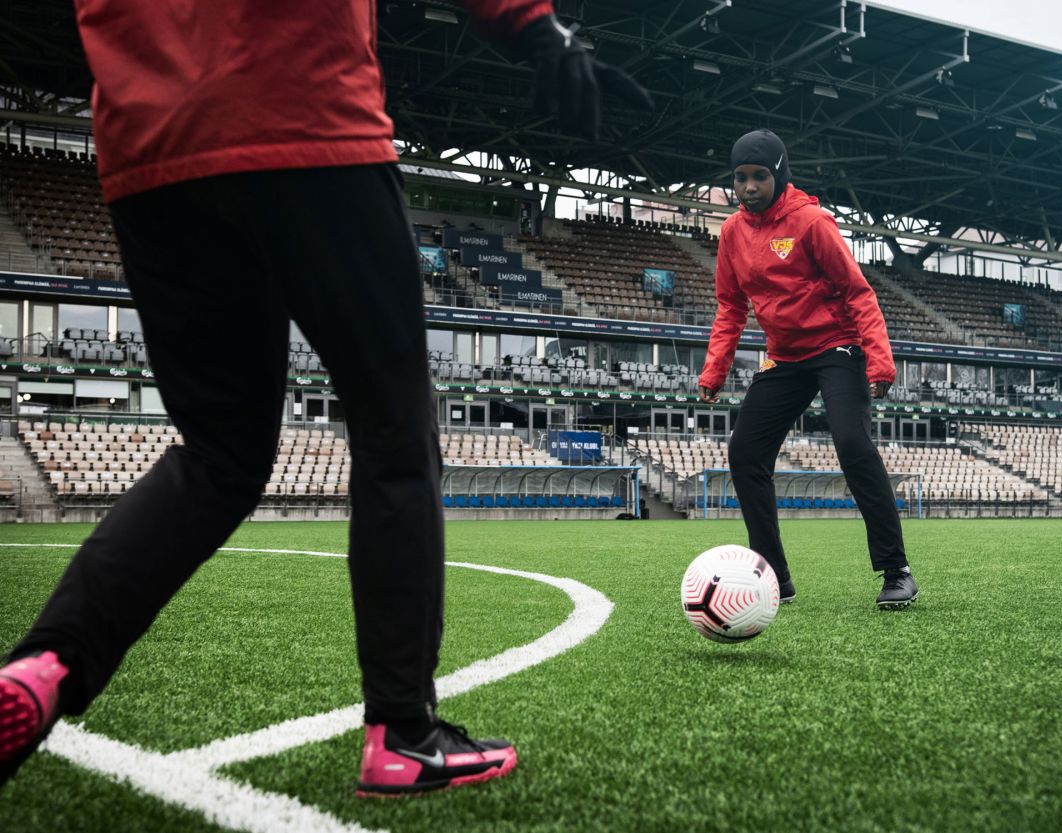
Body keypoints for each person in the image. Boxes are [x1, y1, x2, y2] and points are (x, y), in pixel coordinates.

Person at [0, 1, 650, 795]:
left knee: (218, 457)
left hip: (152, 144)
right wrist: (532, 25)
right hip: (304, 108)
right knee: (396, 433)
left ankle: (48, 662)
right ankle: (402, 733)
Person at [697, 128, 918, 611]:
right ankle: (772, 575)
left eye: (759, 177)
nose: (749, 187)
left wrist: (879, 359)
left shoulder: (813, 222)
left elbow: (858, 291)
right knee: (746, 452)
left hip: (837, 345)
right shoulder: (733, 232)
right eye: (740, 178)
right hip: (785, 355)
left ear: (778, 175)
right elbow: (730, 306)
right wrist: (714, 373)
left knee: (853, 444)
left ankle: (895, 569)